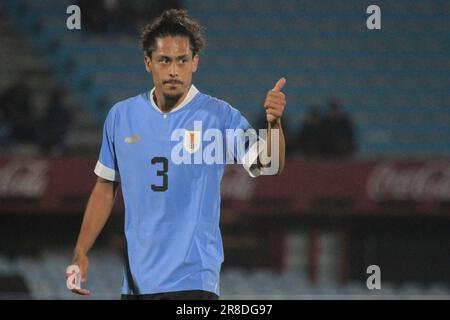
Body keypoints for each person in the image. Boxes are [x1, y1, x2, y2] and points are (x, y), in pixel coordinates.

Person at [66, 9, 286, 300]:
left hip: (194, 280)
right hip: (136, 284)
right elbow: (106, 187)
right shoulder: (121, 116)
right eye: (164, 60)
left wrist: (274, 125)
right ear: (148, 63)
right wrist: (80, 252)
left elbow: (270, 164)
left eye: (182, 61)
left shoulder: (219, 116)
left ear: (195, 62)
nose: (173, 70)